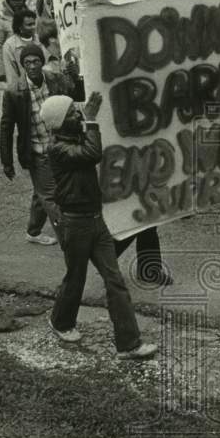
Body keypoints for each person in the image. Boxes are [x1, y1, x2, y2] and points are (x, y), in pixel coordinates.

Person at [40, 91, 158, 358]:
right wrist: (92, 120)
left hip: (95, 220)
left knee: (114, 280)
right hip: (75, 224)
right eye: (71, 112)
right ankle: (60, 321)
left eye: (76, 109)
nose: (78, 113)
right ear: (58, 122)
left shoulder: (72, 136)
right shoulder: (57, 148)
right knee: (75, 279)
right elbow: (93, 153)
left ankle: (129, 344)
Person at [0, 43, 80, 247]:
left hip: (60, 146)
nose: (32, 66)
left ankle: (33, 231)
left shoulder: (55, 80)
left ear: (42, 62)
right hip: (38, 152)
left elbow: (76, 98)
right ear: (22, 65)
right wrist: (7, 161)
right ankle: (69, 240)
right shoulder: (14, 91)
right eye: (27, 63)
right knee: (51, 196)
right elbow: (6, 128)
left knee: (41, 191)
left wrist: (75, 76)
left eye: (36, 61)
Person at [0, 0, 28, 83]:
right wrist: (0, 71)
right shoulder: (1, 22)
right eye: (14, 0)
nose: (17, 3)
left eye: (20, 0)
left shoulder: (30, 17)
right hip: (10, 64)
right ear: (7, 1)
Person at [1, 8, 40, 91]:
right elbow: (11, 74)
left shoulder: (40, 40)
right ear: (20, 27)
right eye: (29, 25)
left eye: (34, 24)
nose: (33, 27)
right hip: (24, 89)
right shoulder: (9, 46)